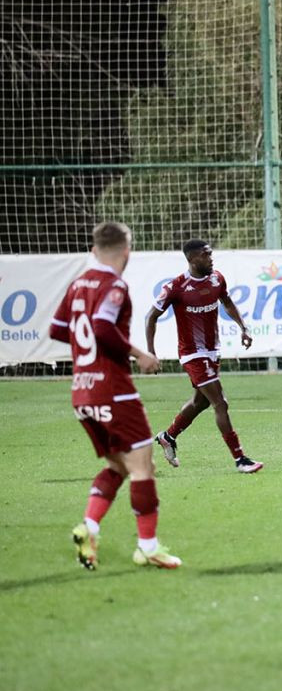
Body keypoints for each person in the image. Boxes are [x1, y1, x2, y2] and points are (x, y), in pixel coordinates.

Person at [49, 221, 181, 570]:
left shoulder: (77, 284)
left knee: (117, 466)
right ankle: (148, 547)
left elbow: (58, 330)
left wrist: (87, 351)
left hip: (82, 392)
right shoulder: (115, 285)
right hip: (114, 392)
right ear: (127, 250)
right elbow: (102, 326)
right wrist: (140, 354)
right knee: (143, 467)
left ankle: (89, 527)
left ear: (94, 250)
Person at [146, 239, 261, 474]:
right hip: (192, 354)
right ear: (192, 259)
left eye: (211, 254)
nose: (211, 258)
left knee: (202, 402)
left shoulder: (217, 278)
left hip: (212, 351)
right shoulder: (176, 287)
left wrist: (243, 328)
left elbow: (227, 302)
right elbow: (151, 317)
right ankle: (240, 459)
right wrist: (151, 352)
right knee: (220, 402)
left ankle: (168, 436)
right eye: (205, 255)